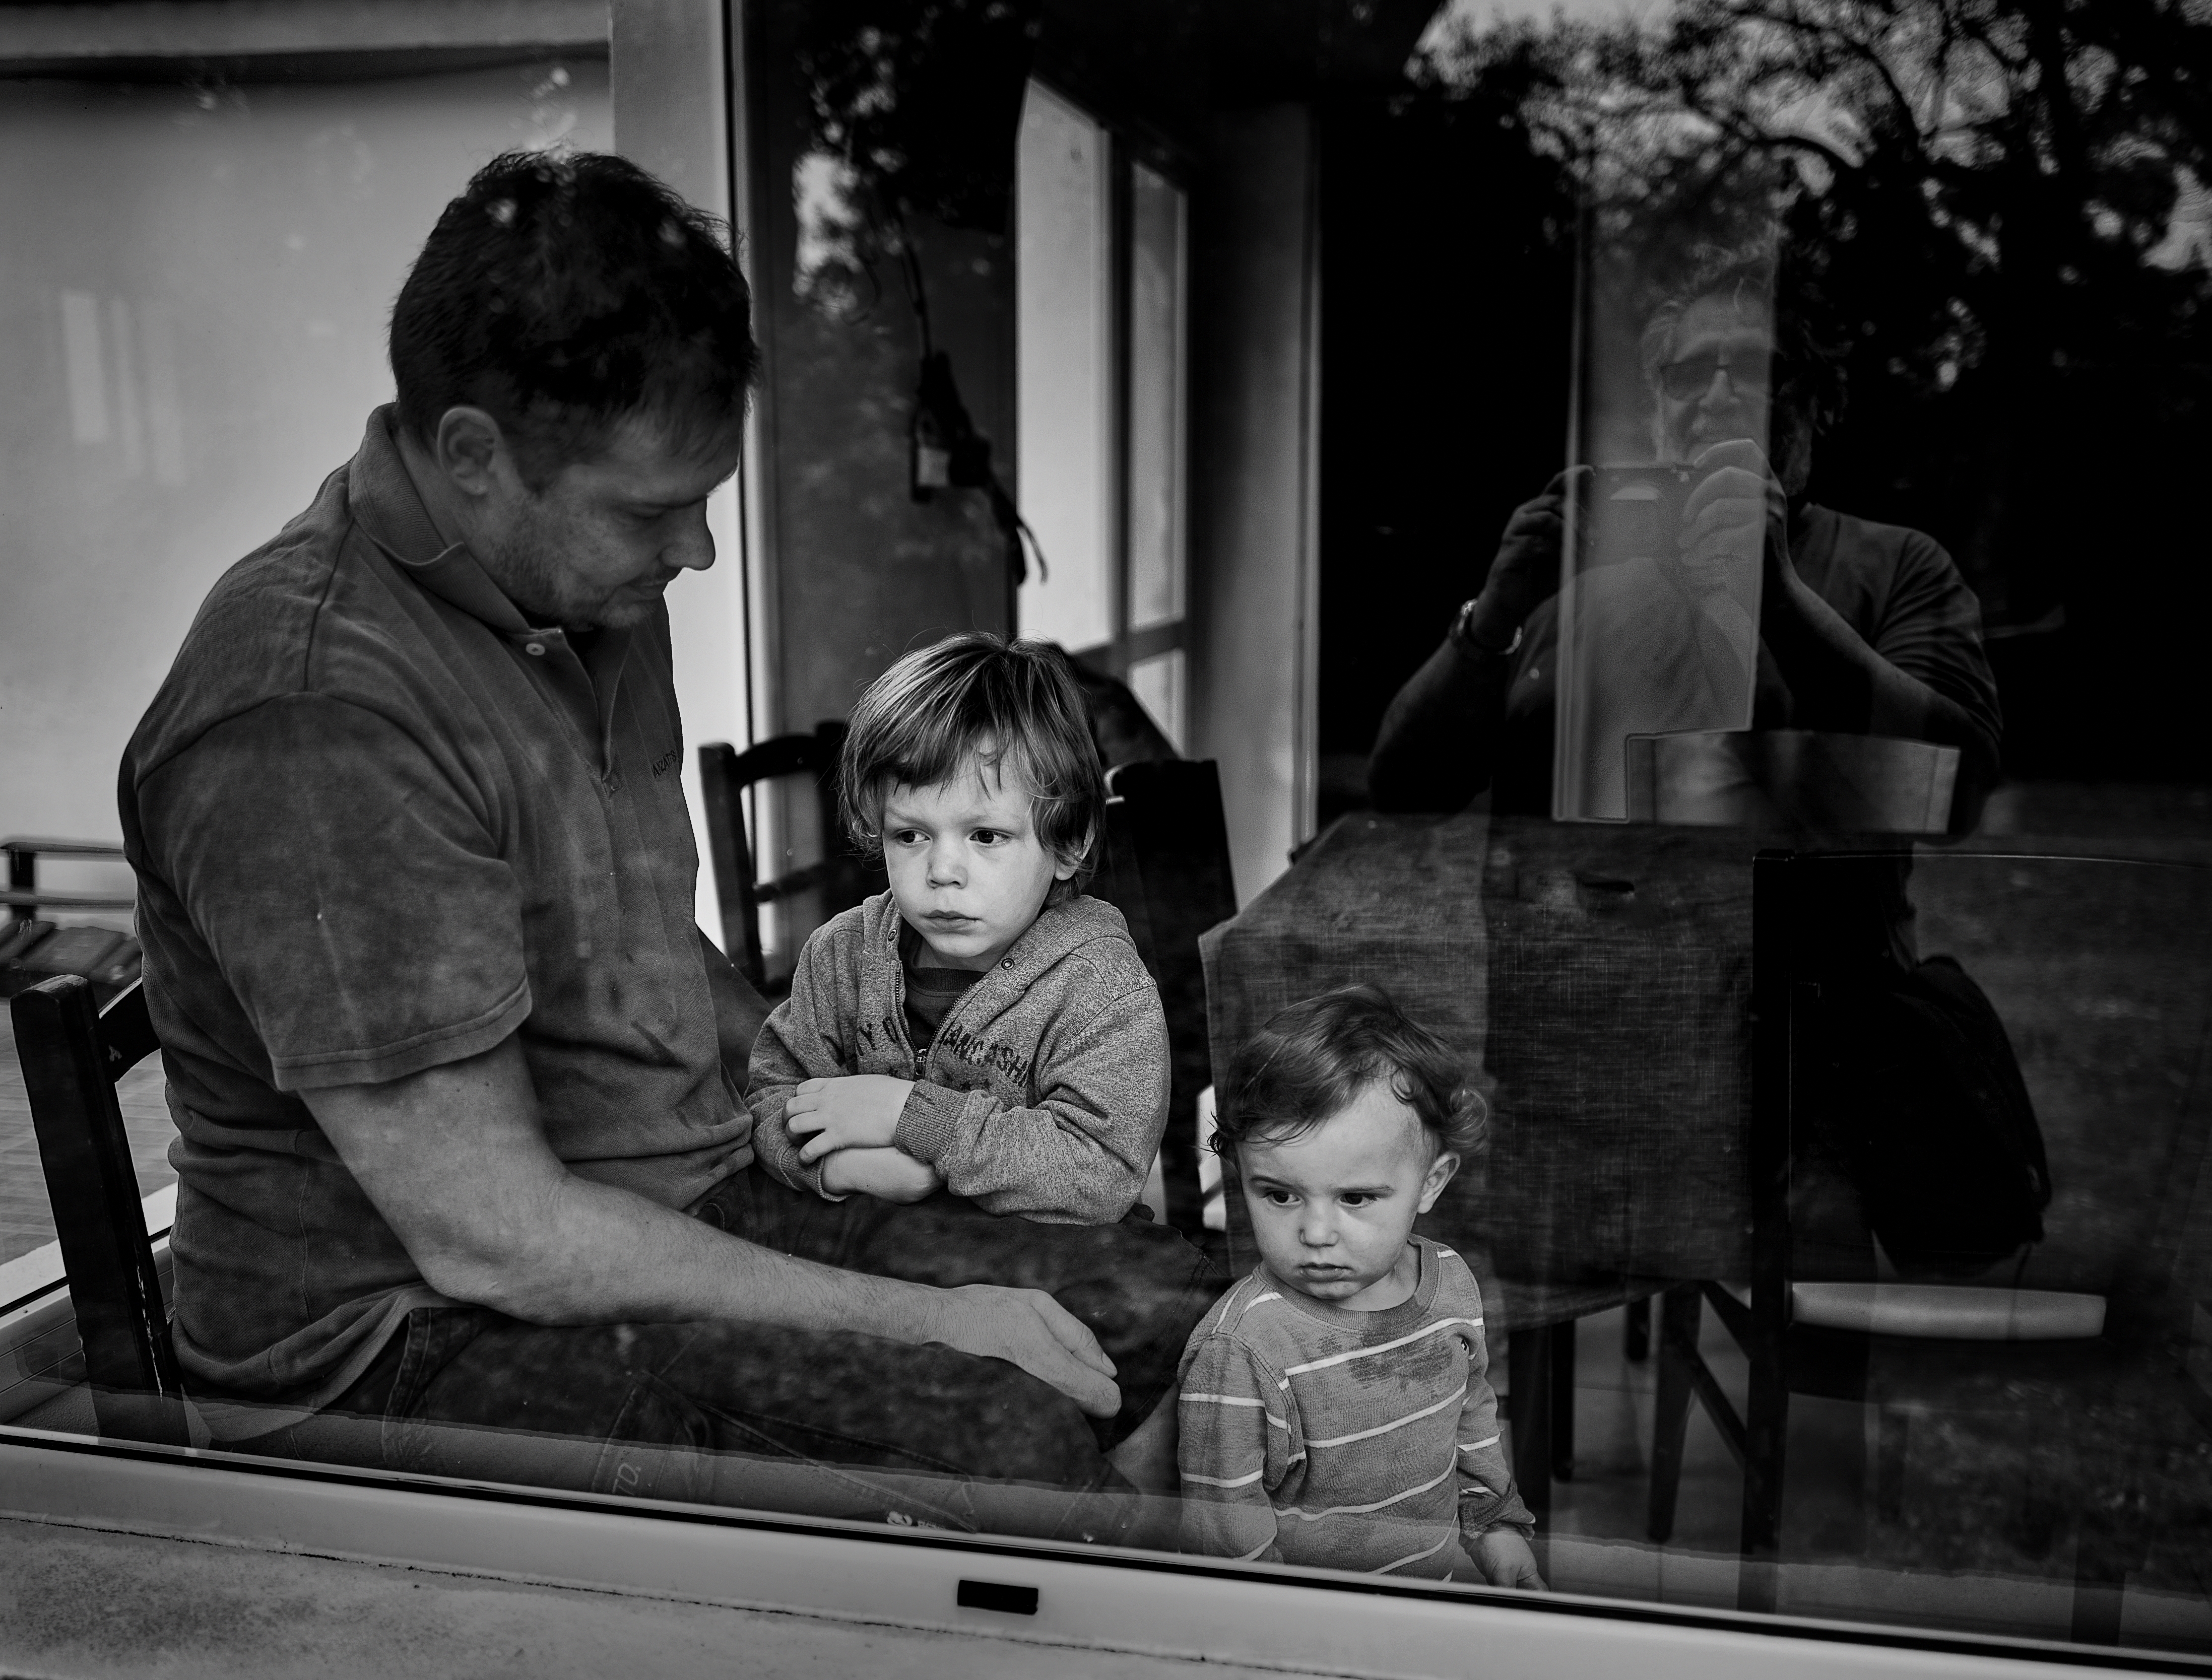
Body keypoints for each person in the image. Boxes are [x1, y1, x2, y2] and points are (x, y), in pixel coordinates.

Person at [117, 150, 1213, 1512]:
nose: (696, 550)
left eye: (706, 496)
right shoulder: (313, 708)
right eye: (652, 508)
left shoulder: (585, 599)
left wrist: (824, 1098)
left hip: (662, 1210)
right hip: (409, 1343)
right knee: (1013, 1443)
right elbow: (493, 1237)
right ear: (472, 456)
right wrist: (922, 1311)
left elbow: (642, 938)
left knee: (1178, 1302)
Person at [1368, 239, 2002, 856]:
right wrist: (1491, 621)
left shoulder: (1896, 564)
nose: (1719, 396)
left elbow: (1958, 795)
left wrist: (1778, 599)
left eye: (1757, 370)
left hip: (1804, 967)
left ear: (1822, 402)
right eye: (1690, 373)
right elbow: (1401, 793)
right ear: (1656, 413)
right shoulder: (1565, 574)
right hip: (1569, 963)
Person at [748, 633, 1168, 1222]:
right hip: (880, 1261)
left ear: (1069, 843)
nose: (943, 872)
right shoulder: (841, 955)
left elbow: (1099, 1172)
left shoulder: (1101, 990)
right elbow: (769, 1101)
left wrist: (908, 1116)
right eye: (911, 835)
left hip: (1044, 1275)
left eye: (986, 836)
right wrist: (841, 1171)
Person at [1176, 987, 1543, 1588]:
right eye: (1279, 1194)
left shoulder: (1449, 1283)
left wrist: (1496, 1528)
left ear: (1431, 1182)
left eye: (1355, 1197)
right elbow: (1227, 1543)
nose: (1316, 1233)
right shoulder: (1244, 1348)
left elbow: (1469, 1413)